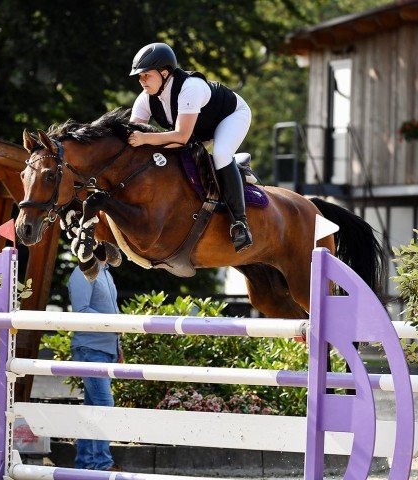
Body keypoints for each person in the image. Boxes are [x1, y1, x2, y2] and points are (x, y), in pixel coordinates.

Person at [128, 42, 253, 253]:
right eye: (140, 77)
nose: (142, 81)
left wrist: (145, 138)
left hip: (230, 116)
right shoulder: (145, 99)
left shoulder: (190, 88)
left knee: (221, 154)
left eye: (146, 75)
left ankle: (239, 223)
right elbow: (131, 135)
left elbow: (181, 137)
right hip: (197, 130)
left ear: (164, 72)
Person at [68, 262, 122, 472]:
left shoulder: (105, 272)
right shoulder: (83, 272)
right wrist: (114, 325)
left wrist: (117, 346)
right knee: (104, 404)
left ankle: (85, 464)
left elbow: (111, 309)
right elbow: (81, 310)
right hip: (90, 349)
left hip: (103, 349)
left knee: (93, 408)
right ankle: (103, 464)